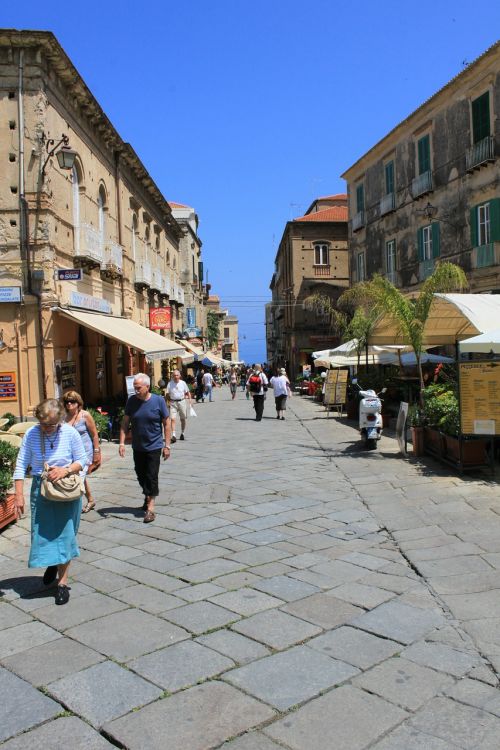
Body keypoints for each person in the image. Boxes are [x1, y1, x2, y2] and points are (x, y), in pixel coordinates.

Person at [13, 398, 89, 605]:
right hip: (42, 490)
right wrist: (19, 496)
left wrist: (65, 469)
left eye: (51, 425)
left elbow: (83, 460)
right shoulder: (31, 434)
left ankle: (62, 583)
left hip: (66, 490)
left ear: (61, 420)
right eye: (43, 424)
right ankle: (54, 563)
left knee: (65, 536)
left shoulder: (70, 433)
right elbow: (20, 465)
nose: (46, 429)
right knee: (43, 534)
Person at [119, 373, 171, 523]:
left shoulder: (158, 401)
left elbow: (166, 424)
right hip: (138, 446)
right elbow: (125, 423)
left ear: (147, 387)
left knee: (151, 475)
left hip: (154, 445)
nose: (135, 390)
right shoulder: (131, 401)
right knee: (140, 474)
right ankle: (148, 496)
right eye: (134, 387)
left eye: (138, 387)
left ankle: (150, 509)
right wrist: (122, 443)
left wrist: (167, 445)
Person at [63, 390, 101, 513]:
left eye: (72, 401)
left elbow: (94, 435)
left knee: (79, 477)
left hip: (85, 452)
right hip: (71, 453)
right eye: (67, 401)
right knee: (79, 476)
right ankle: (90, 500)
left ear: (78, 402)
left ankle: (73, 505)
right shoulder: (64, 417)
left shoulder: (85, 415)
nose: (69, 404)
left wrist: (96, 452)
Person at [166, 369, 192, 443]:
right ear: (172, 376)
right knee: (173, 419)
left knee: (182, 419)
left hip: (182, 401)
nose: (176, 376)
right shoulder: (170, 384)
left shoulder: (183, 383)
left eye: (177, 375)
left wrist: (190, 400)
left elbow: (187, 392)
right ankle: (173, 435)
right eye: (174, 375)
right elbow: (167, 394)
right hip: (173, 402)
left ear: (180, 376)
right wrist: (167, 402)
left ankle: (182, 433)